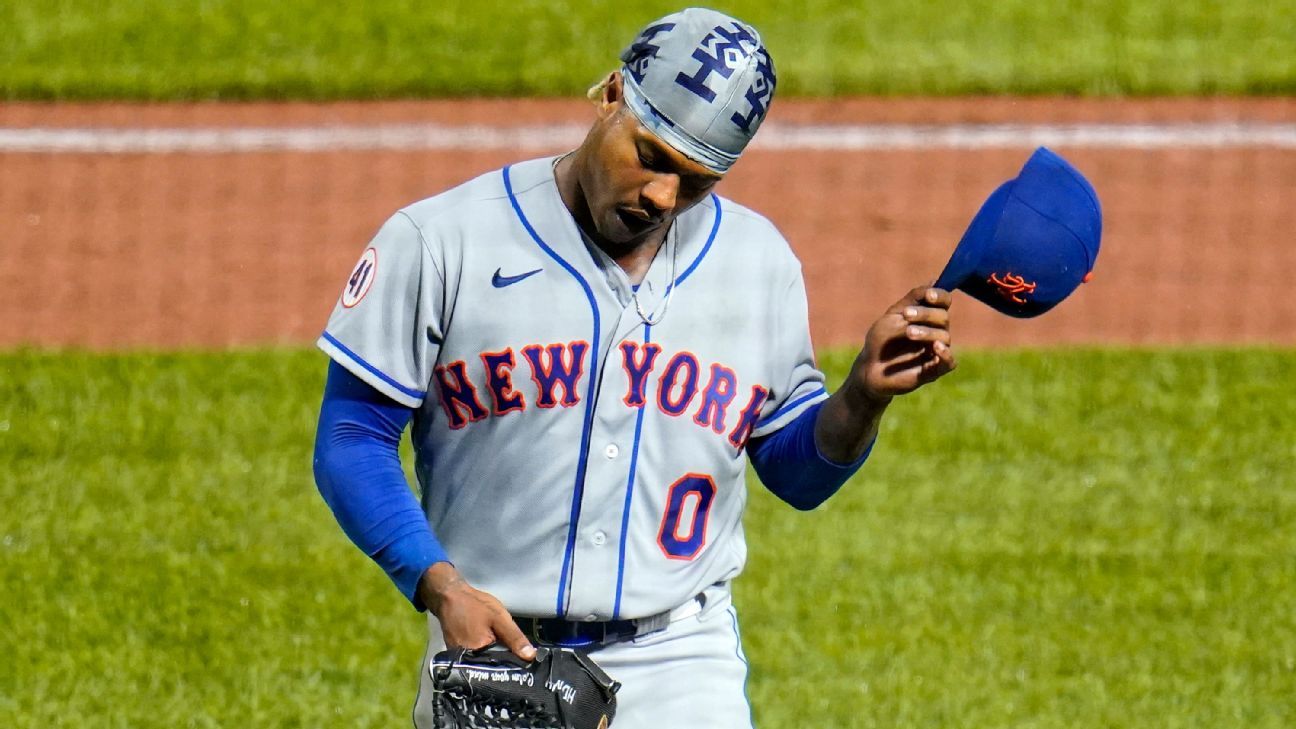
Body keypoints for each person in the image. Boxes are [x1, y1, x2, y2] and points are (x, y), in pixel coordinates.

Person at [312, 8, 956, 728]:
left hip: (683, 663)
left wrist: (862, 398)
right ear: (613, 93)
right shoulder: (442, 242)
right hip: (494, 650)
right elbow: (351, 437)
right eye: (651, 155)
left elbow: (796, 474)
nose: (661, 198)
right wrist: (439, 585)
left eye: (696, 180)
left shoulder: (758, 263)